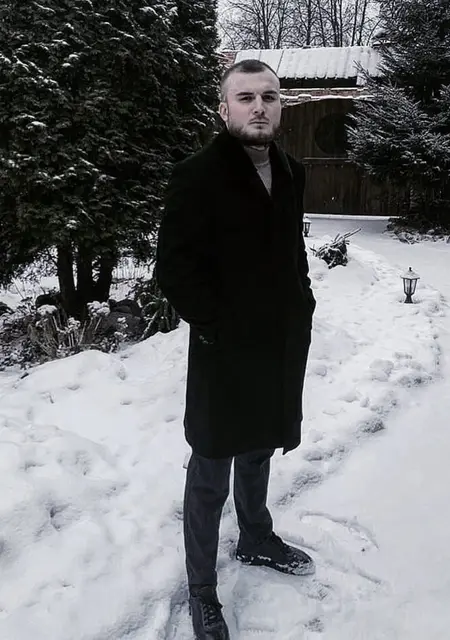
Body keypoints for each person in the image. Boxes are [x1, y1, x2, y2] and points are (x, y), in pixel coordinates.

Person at [155, 59, 316, 640]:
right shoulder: (196, 175)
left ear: (281, 107)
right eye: (245, 97)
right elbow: (173, 268)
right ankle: (202, 589)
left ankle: (255, 537)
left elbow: (291, 252)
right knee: (211, 463)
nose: (259, 107)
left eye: (269, 97)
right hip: (223, 349)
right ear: (224, 109)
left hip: (280, 343)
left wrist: (302, 302)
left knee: (260, 445)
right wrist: (216, 325)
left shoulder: (292, 172)